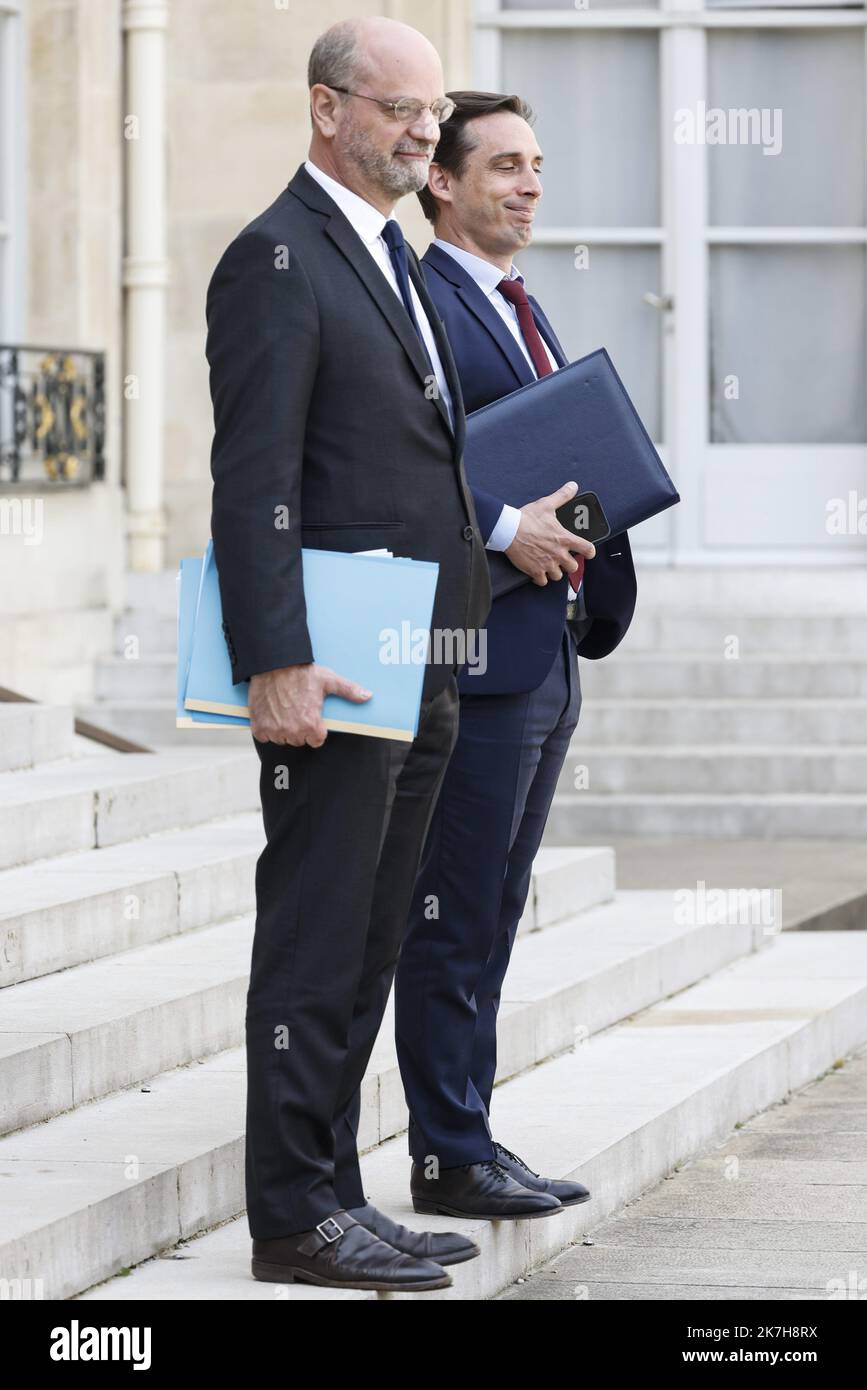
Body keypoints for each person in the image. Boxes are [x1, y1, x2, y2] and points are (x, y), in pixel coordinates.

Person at [205, 20, 496, 1292]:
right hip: (332, 662)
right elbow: (254, 475)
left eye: (435, 114)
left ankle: (336, 1193)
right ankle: (289, 1215)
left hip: (419, 650)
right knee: (318, 935)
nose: (425, 132)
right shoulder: (277, 256)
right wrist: (272, 656)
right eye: (401, 109)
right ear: (327, 109)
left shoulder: (391, 253)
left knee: (375, 933)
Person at [394, 91, 638, 1220]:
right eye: (504, 166)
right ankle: (447, 1152)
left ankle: (474, 1133)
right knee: (452, 907)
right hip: (473, 652)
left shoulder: (516, 301)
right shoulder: (423, 298)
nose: (531, 184)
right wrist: (506, 526)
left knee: (495, 904)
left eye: (538, 164)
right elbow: (409, 460)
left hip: (547, 648)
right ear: (442, 181)